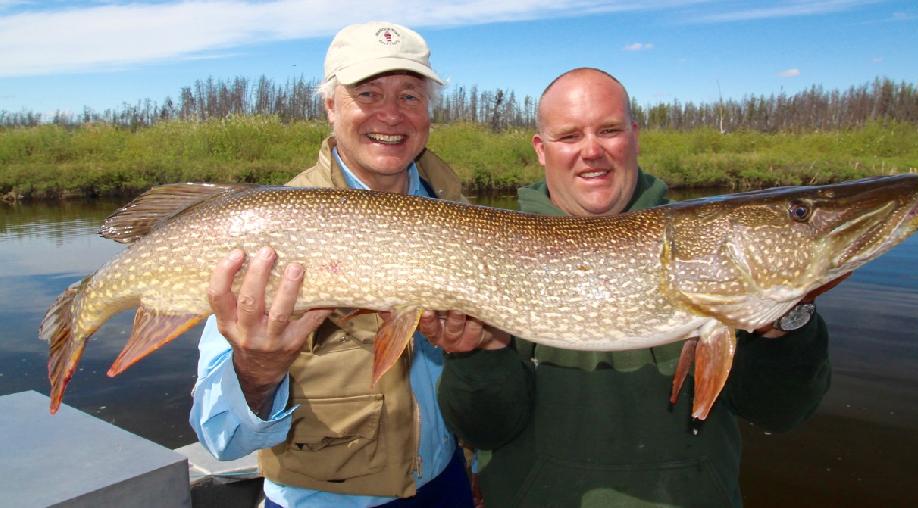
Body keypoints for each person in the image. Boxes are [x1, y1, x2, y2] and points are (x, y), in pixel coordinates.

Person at [425, 67, 837, 507]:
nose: (591, 151)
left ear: (634, 136)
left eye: (609, 130)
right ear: (542, 151)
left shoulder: (710, 249)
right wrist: (476, 358)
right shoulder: (491, 247)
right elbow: (485, 431)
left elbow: (779, 412)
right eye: (569, 136)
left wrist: (787, 322)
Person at [189, 21, 474, 508]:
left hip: (446, 484)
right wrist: (257, 370)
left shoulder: (461, 217)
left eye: (409, 96)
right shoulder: (269, 226)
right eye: (367, 93)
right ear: (329, 106)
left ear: (428, 112)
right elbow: (222, 439)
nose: (391, 115)